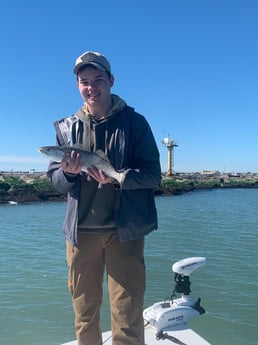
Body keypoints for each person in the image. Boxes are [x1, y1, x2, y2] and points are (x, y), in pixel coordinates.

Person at [47, 51, 161, 345]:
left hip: (126, 233)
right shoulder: (64, 127)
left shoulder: (135, 123)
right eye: (84, 81)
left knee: (128, 312)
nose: (91, 87)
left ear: (111, 80)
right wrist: (70, 173)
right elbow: (56, 183)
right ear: (77, 86)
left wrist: (118, 179)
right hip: (81, 235)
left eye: (98, 79)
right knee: (84, 313)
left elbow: (153, 175)